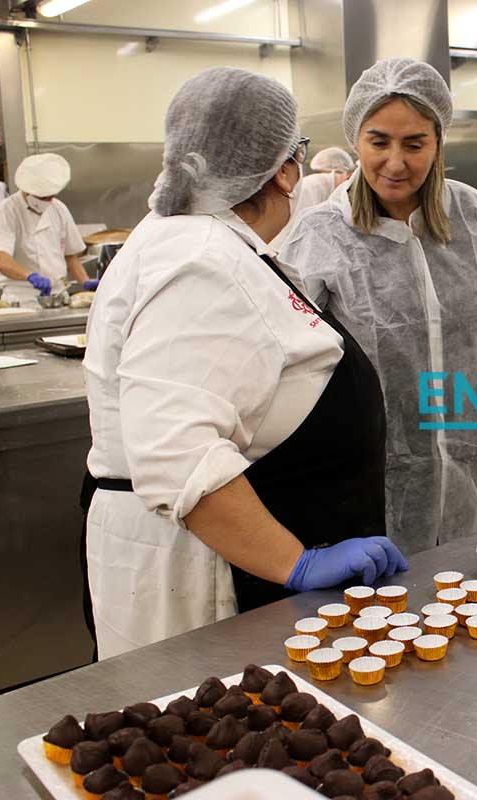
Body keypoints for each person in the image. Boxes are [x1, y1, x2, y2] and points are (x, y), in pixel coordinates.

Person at [83, 67, 406, 659]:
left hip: (206, 551)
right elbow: (177, 453)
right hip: (200, 570)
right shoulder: (200, 260)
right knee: (209, 739)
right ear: (283, 169)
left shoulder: (195, 242)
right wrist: (297, 562)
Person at [280, 58, 477, 555]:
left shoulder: (472, 215)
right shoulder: (321, 233)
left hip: (469, 457)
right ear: (357, 140)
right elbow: (294, 363)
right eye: (379, 142)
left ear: (439, 143)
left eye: (414, 144)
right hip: (371, 469)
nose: (395, 164)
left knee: (463, 592)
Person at [0, 153, 89, 305]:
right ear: (27, 190)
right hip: (22, 300)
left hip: (59, 297)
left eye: (50, 197)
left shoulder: (58, 208)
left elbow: (70, 256)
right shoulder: (7, 211)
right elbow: (0, 260)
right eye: (42, 198)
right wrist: (30, 275)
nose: (47, 202)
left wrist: (86, 282)